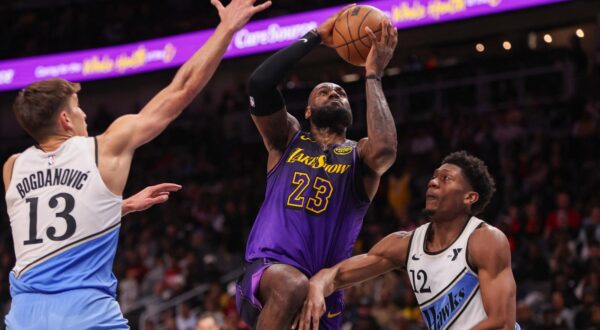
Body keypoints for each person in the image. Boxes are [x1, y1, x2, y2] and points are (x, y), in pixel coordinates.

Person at [2, 0, 271, 328]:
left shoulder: (13, 167)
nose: (84, 114)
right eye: (77, 108)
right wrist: (226, 29)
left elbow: (53, 218)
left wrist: (121, 207)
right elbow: (181, 90)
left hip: (24, 318)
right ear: (65, 120)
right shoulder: (105, 148)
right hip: (85, 314)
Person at [235, 5, 399, 329]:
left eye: (341, 92)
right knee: (290, 284)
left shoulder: (360, 155)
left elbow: (386, 149)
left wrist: (372, 74)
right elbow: (260, 84)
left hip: (324, 291)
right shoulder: (287, 140)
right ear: (308, 111)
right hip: (268, 273)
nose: (334, 92)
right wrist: (315, 37)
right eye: (323, 91)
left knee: (299, 287)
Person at [297, 151, 519, 330]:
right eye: (433, 177)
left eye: (446, 178)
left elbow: (502, 323)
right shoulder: (405, 244)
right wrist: (317, 284)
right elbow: (339, 274)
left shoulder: (485, 239)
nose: (432, 182)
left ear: (469, 197)